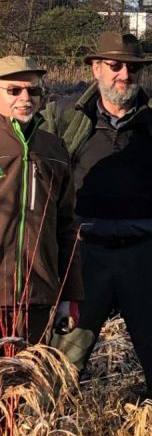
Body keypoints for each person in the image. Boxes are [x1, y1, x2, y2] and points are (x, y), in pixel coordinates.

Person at [49, 32, 152, 430]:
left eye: (134, 67)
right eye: (115, 65)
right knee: (64, 354)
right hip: (83, 255)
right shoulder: (66, 118)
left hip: (146, 254)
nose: (125, 74)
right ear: (95, 68)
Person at [0, 56, 82, 344]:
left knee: (25, 385)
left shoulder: (54, 148)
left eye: (33, 91)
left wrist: (69, 295)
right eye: (14, 90)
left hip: (38, 295)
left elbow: (66, 226)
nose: (25, 98)